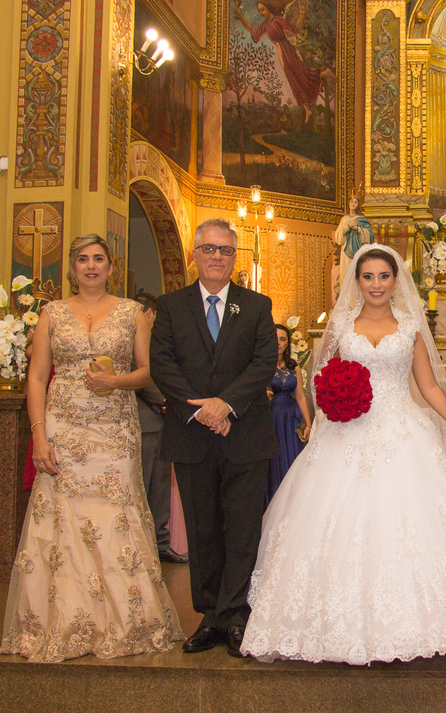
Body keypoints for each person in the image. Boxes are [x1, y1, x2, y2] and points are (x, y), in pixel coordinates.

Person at [242, 245, 446, 664]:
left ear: (396, 280)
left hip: (403, 432)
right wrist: (334, 401)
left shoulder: (410, 328)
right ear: (357, 281)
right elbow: (318, 379)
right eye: (368, 277)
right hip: (346, 435)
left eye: (384, 276)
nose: (376, 285)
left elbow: (430, 387)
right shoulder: (341, 325)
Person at [0, 234, 183, 662]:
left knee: (114, 519)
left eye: (99, 258)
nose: (91, 266)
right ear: (72, 267)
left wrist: (115, 381)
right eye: (83, 259)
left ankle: (123, 621)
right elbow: (36, 377)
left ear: (110, 267)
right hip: (63, 427)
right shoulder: (51, 313)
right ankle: (63, 620)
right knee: (62, 523)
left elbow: (149, 371)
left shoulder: (131, 312)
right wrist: (39, 434)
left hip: (114, 430)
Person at [149, 219, 279, 658]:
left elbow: (263, 362)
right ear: (194, 254)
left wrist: (225, 405)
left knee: (242, 528)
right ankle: (209, 616)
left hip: (244, 433)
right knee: (203, 529)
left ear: (235, 257)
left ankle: (236, 615)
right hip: (191, 435)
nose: (217, 257)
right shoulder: (169, 306)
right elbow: (162, 364)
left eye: (225, 250)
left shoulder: (257, 306)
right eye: (208, 249)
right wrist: (201, 409)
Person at [134, 292, 186, 564]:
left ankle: (160, 542)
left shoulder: (161, 339)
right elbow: (143, 377)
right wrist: (167, 400)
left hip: (165, 422)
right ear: (151, 313)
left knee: (161, 486)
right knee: (142, 485)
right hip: (145, 419)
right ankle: (142, 544)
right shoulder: (135, 338)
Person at [266, 323, 312, 502]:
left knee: (293, 461)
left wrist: (308, 425)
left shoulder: (294, 367)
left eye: (282, 339)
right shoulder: (262, 366)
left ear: (287, 344)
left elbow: (300, 396)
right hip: (272, 418)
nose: (278, 343)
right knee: (274, 464)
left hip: (291, 418)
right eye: (274, 338)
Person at [334, 196, 373, 298]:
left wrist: (358, 229)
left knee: (357, 275)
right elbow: (338, 236)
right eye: (351, 201)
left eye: (355, 202)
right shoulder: (344, 219)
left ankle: (358, 303)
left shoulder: (362, 220)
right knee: (346, 276)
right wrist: (348, 226)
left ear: (358, 205)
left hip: (358, 252)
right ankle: (347, 304)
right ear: (348, 203)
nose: (353, 203)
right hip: (346, 252)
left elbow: (369, 235)